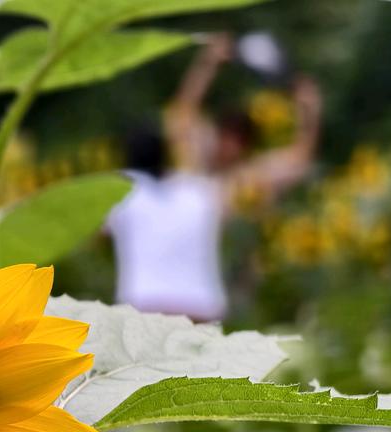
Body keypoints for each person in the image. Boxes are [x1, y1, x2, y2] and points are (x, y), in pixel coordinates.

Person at [106, 33, 323, 322]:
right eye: (227, 137)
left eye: (239, 140)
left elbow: (297, 160)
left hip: (192, 301)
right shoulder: (197, 177)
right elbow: (182, 115)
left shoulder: (230, 183)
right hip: (195, 305)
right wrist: (207, 65)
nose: (230, 148)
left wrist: (309, 112)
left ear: (247, 146)